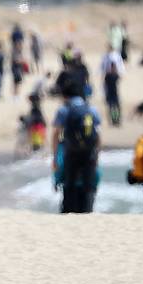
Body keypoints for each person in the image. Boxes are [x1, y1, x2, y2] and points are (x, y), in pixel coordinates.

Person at [51, 79, 101, 213]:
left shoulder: (63, 110)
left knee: (70, 182)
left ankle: (69, 210)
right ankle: (87, 209)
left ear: (65, 95)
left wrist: (55, 157)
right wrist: (96, 155)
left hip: (71, 151)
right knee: (88, 183)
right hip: (89, 152)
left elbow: (56, 134)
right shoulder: (91, 109)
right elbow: (98, 135)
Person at [104, 62, 121, 127]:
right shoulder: (110, 74)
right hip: (111, 93)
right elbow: (105, 84)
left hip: (114, 93)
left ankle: (116, 120)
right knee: (112, 108)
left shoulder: (111, 74)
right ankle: (114, 120)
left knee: (116, 108)